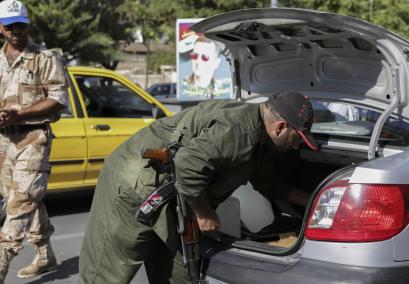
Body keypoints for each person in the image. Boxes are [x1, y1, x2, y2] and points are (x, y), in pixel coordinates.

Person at [78, 91, 317, 284]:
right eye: (297, 139)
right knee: (106, 276)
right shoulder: (239, 130)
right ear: (280, 127)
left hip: (172, 198)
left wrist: (312, 202)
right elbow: (188, 166)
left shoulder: (261, 143)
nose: (296, 147)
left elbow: (270, 185)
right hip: (134, 187)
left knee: (180, 275)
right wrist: (204, 213)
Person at [0, 0, 68, 282]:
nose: (16, 29)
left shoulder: (45, 58)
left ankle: (1, 262)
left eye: (21, 24)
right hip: (4, 143)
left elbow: (58, 101)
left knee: (20, 203)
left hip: (34, 139)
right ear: (1, 28)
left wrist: (21, 113)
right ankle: (44, 255)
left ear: (28, 25)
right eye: (10, 25)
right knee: (24, 198)